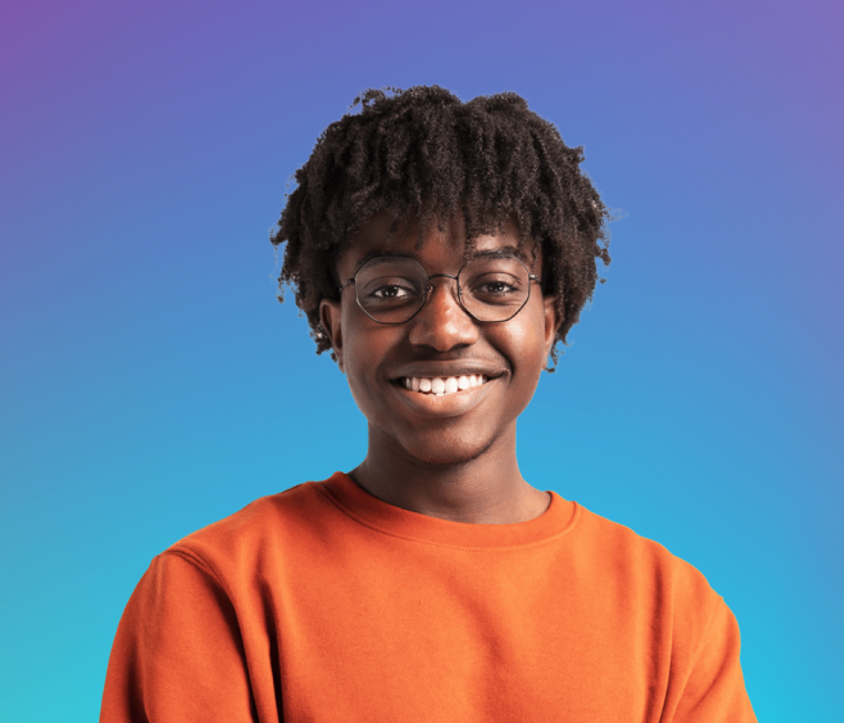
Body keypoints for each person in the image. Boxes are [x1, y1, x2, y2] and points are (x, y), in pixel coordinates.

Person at [100, 86, 757, 722]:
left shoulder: (673, 615)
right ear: (333, 324)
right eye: (389, 290)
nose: (443, 329)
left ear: (550, 321)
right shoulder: (217, 593)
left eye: (495, 284)